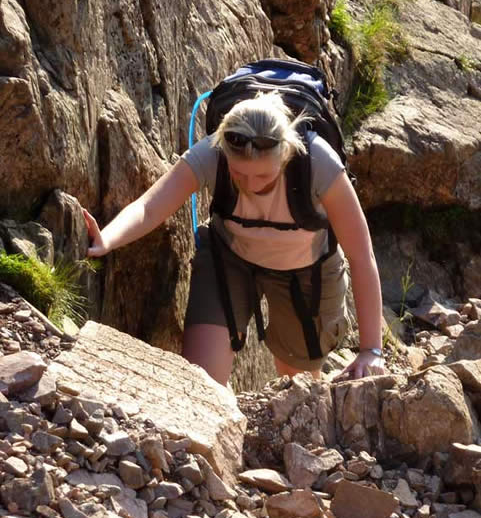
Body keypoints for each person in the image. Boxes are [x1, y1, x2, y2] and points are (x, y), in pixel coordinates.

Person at [84, 91, 385, 386]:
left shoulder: (318, 163)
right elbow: (149, 207)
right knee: (202, 383)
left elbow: (361, 256)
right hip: (230, 260)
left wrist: (372, 350)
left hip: (307, 272)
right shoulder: (212, 154)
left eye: (264, 177)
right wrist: (106, 239)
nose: (251, 185)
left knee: (298, 386)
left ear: (286, 154)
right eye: (239, 175)